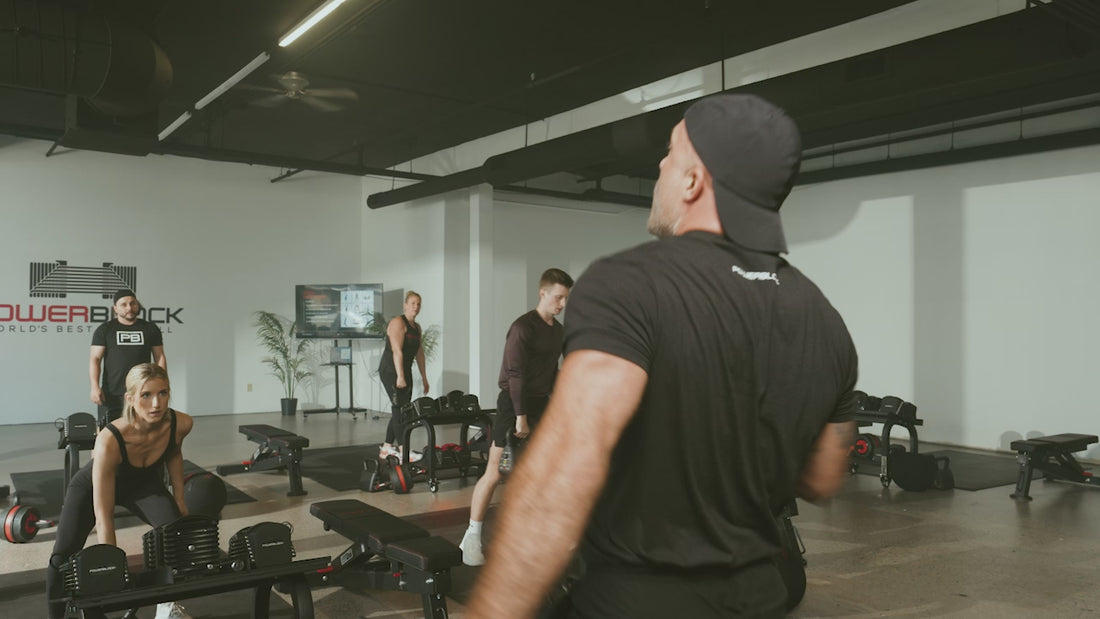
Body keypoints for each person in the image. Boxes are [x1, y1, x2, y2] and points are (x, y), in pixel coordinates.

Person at [465, 94, 859, 618]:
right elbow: (823, 476)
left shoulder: (629, 285)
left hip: (635, 601)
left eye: (670, 154)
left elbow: (559, 481)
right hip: (763, 597)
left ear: (694, 182)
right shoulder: (825, 319)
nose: (659, 166)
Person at [48, 363, 195, 619]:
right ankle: (56, 615)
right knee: (62, 555)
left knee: (173, 533)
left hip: (143, 484)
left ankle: (167, 607)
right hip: (93, 486)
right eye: (146, 395)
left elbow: (174, 452)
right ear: (130, 398)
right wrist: (110, 564)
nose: (156, 404)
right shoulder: (111, 437)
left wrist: (179, 498)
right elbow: (104, 515)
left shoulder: (181, 423)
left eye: (163, 393)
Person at [459, 267, 574, 566]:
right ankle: (471, 535)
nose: (562, 304)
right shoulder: (523, 327)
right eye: (558, 297)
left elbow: (552, 371)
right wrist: (521, 416)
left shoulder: (557, 331)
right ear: (543, 293)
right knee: (496, 472)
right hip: (513, 405)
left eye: (565, 299)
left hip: (541, 404)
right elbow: (515, 374)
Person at [89, 289, 167, 429]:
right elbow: (95, 358)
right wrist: (94, 386)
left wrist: (162, 382)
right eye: (123, 304)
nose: (129, 308)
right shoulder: (105, 330)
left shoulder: (150, 328)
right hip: (111, 393)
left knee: (142, 433)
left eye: (132, 303)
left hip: (142, 392)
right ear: (115, 308)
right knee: (108, 434)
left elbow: (159, 356)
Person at [377, 291, 429, 462]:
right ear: (405, 305)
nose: (416, 307)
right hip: (391, 370)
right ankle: (403, 451)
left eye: (418, 304)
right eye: (413, 303)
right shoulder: (398, 323)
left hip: (404, 370)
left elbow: (419, 354)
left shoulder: (417, 327)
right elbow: (397, 351)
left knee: (402, 410)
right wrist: (400, 376)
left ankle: (386, 448)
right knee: (398, 408)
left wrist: (424, 377)